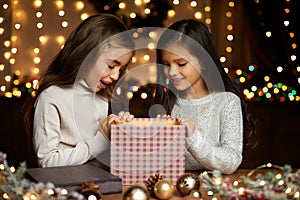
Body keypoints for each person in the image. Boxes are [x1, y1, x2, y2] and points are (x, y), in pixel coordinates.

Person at [24, 13, 135, 168]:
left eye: (121, 69)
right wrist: (100, 139)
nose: (116, 76)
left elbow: (103, 159)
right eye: (111, 66)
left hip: (101, 185)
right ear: (86, 55)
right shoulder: (52, 97)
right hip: (66, 188)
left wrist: (120, 132)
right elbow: (47, 162)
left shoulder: (103, 99)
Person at [154, 19, 256, 174]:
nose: (172, 72)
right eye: (166, 64)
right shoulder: (168, 102)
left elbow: (231, 161)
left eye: (181, 64)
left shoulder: (227, 102)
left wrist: (193, 137)